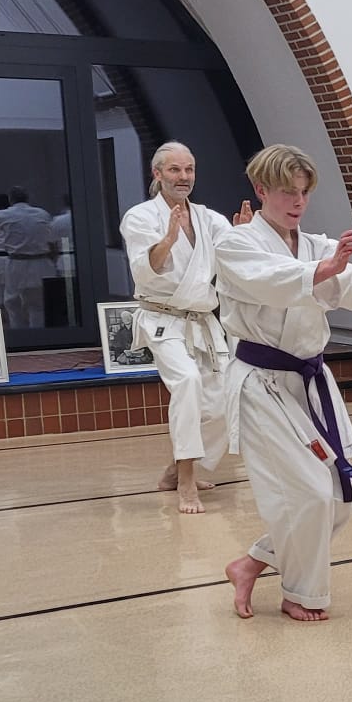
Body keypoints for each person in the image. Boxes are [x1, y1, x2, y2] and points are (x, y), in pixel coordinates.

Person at [218, 144, 352, 622]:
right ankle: (299, 592)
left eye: (304, 192)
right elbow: (274, 281)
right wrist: (326, 270)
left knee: (339, 498)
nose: (297, 202)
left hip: (309, 380)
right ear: (260, 190)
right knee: (311, 495)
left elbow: (343, 288)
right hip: (263, 384)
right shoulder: (236, 244)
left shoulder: (314, 245)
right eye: (286, 192)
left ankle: (251, 563)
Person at [120, 142, 234, 514]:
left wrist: (247, 233)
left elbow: (235, 253)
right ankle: (186, 480)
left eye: (189, 169)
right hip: (162, 319)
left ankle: (176, 469)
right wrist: (169, 237)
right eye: (174, 170)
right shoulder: (140, 217)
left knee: (224, 400)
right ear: (157, 174)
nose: (183, 177)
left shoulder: (209, 218)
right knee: (187, 382)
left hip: (201, 321)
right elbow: (146, 269)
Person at [0, 189, 54, 328]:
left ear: (11, 200)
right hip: (42, 262)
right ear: (27, 198)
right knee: (38, 303)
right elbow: (51, 236)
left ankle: (18, 333)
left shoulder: (3, 215)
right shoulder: (43, 213)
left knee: (12, 301)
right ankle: (39, 333)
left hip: (17, 262)